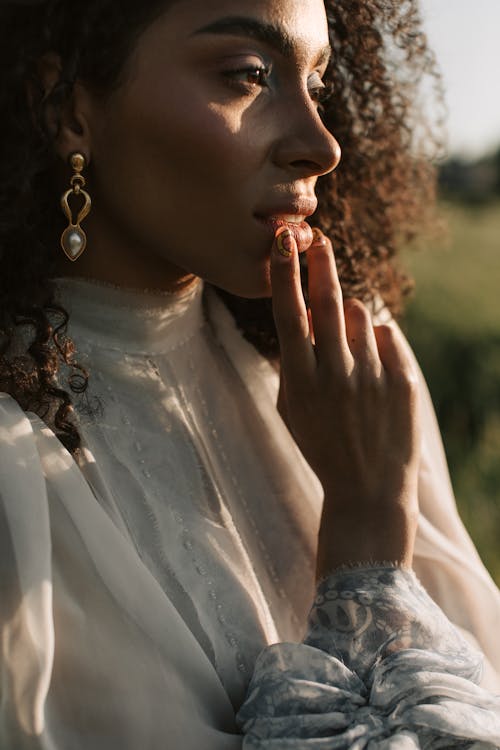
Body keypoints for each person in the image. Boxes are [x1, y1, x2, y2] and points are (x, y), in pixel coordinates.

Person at [0, 0, 499, 748]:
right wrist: (365, 543)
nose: (320, 144)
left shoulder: (350, 374)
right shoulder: (17, 480)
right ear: (66, 108)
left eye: (319, 84)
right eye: (249, 75)